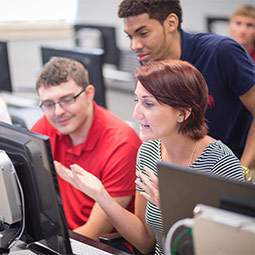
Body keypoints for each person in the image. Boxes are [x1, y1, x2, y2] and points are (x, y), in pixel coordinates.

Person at [55, 60, 245, 255]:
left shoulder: (221, 164)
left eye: (149, 104)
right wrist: (101, 195)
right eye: (137, 101)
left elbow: (234, 249)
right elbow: (145, 242)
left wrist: (174, 210)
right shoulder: (148, 151)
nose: (136, 113)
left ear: (183, 113)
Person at [117, 0, 255, 170]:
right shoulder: (149, 66)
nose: (134, 45)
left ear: (171, 23)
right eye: (130, 36)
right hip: (186, 170)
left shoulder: (221, 52)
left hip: (233, 165)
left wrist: (243, 170)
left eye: (143, 34)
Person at [30, 57, 142, 241]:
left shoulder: (122, 143)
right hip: (66, 235)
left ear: (89, 94)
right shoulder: (46, 128)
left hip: (103, 246)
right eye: (49, 104)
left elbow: (94, 232)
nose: (58, 112)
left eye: (66, 100)